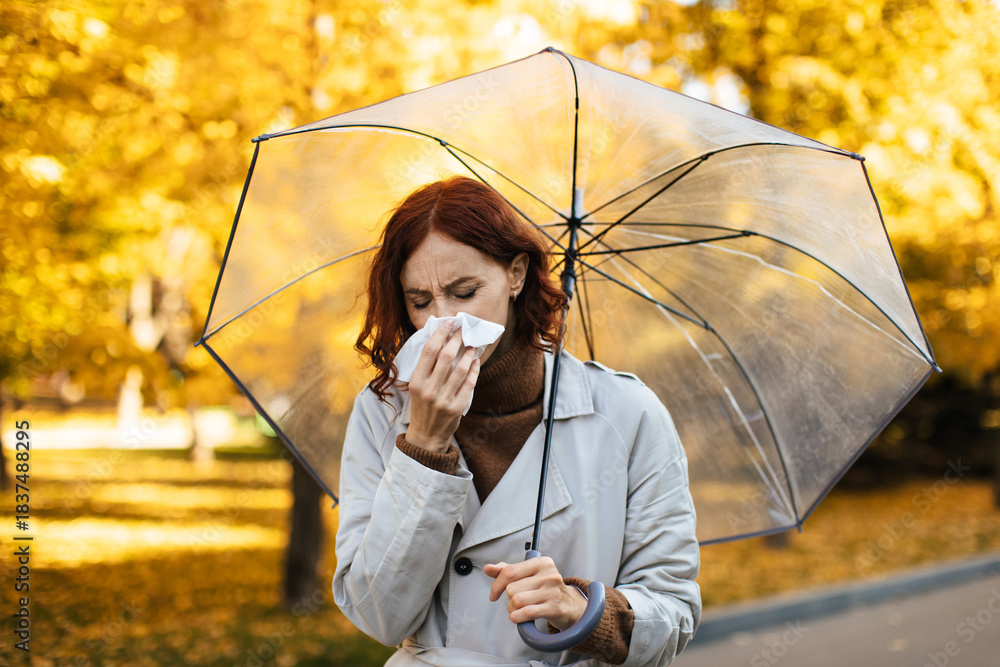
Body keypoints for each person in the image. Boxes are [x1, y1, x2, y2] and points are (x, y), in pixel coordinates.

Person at [333, 176, 701, 666]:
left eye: (465, 292)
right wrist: (424, 444)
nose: (443, 321)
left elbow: (674, 609)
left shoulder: (627, 413)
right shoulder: (382, 411)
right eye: (420, 301)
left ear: (516, 274)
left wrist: (585, 612)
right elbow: (376, 614)